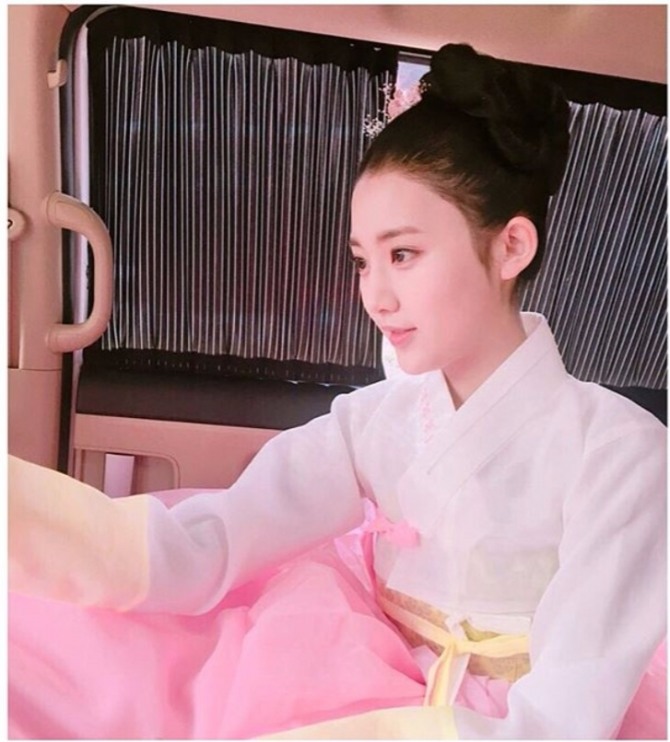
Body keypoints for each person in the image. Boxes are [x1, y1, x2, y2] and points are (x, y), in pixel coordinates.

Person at [9, 43, 666, 739]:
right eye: (362, 262)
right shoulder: (373, 423)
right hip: (360, 672)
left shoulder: (622, 454)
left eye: (403, 254)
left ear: (511, 247)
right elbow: (217, 539)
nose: (376, 296)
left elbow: (564, 720)